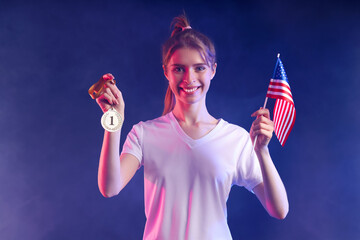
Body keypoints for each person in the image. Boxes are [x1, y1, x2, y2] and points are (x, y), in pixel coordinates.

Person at [95, 14, 288, 240]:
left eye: (199, 68)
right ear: (166, 71)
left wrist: (262, 151)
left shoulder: (235, 138)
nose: (189, 78)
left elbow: (279, 210)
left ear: (213, 70)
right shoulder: (144, 133)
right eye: (179, 69)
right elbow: (110, 188)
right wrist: (113, 121)